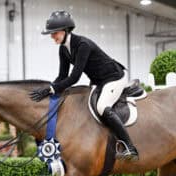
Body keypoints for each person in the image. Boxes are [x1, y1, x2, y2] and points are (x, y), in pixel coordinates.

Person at [29, 10, 138, 161]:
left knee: (102, 107)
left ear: (66, 31)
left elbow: (74, 77)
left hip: (114, 78)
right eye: (51, 33)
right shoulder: (63, 49)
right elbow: (62, 75)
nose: (52, 36)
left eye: (55, 33)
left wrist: (52, 89)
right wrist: (48, 89)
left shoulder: (82, 45)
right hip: (98, 81)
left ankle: (130, 147)